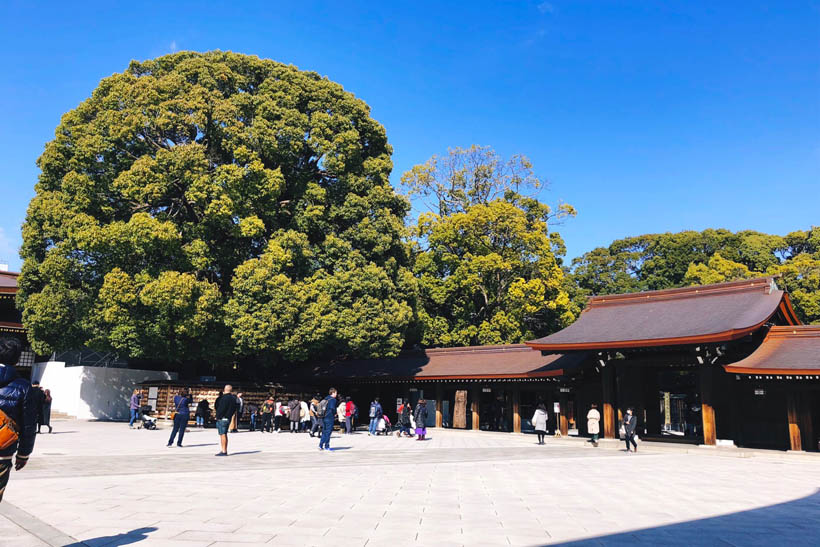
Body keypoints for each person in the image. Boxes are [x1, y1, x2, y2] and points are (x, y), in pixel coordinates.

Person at [0, 336, 36, 503]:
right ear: (17, 358)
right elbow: (29, 424)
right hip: (3, 452)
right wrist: (23, 454)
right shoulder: (24, 386)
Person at [214, 385, 238, 456]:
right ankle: (224, 449)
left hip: (223, 418)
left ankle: (224, 450)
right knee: (224, 434)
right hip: (228, 417)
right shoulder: (233, 398)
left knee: (222, 434)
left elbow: (221, 408)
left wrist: (218, 416)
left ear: (224, 390)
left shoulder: (223, 398)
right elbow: (235, 408)